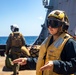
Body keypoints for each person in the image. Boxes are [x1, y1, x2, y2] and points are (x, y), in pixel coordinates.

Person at [13, 10, 76, 75]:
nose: (50, 27)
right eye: (49, 23)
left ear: (62, 25)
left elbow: (74, 65)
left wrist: (55, 65)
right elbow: (43, 60)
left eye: (54, 23)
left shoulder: (69, 43)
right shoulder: (47, 40)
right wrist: (28, 61)